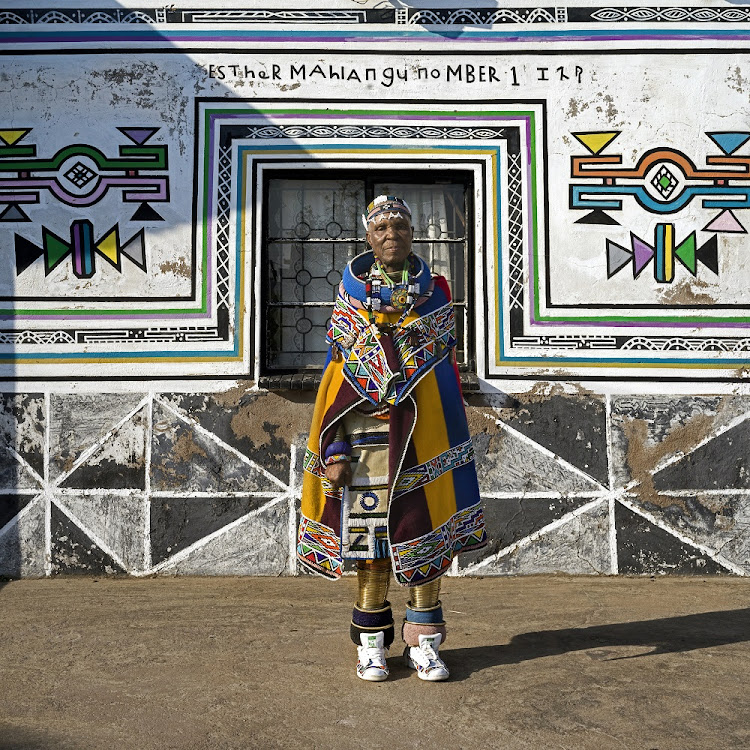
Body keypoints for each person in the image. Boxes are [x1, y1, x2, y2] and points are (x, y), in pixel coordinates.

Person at [297, 195, 486, 682]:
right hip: (367, 436)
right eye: (381, 228)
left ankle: (425, 642)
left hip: (425, 433)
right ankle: (372, 644)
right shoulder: (350, 297)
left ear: (412, 235)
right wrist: (334, 449)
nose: (391, 235)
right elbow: (337, 376)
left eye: (399, 227)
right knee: (372, 542)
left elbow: (440, 364)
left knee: (425, 532)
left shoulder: (436, 293)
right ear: (368, 237)